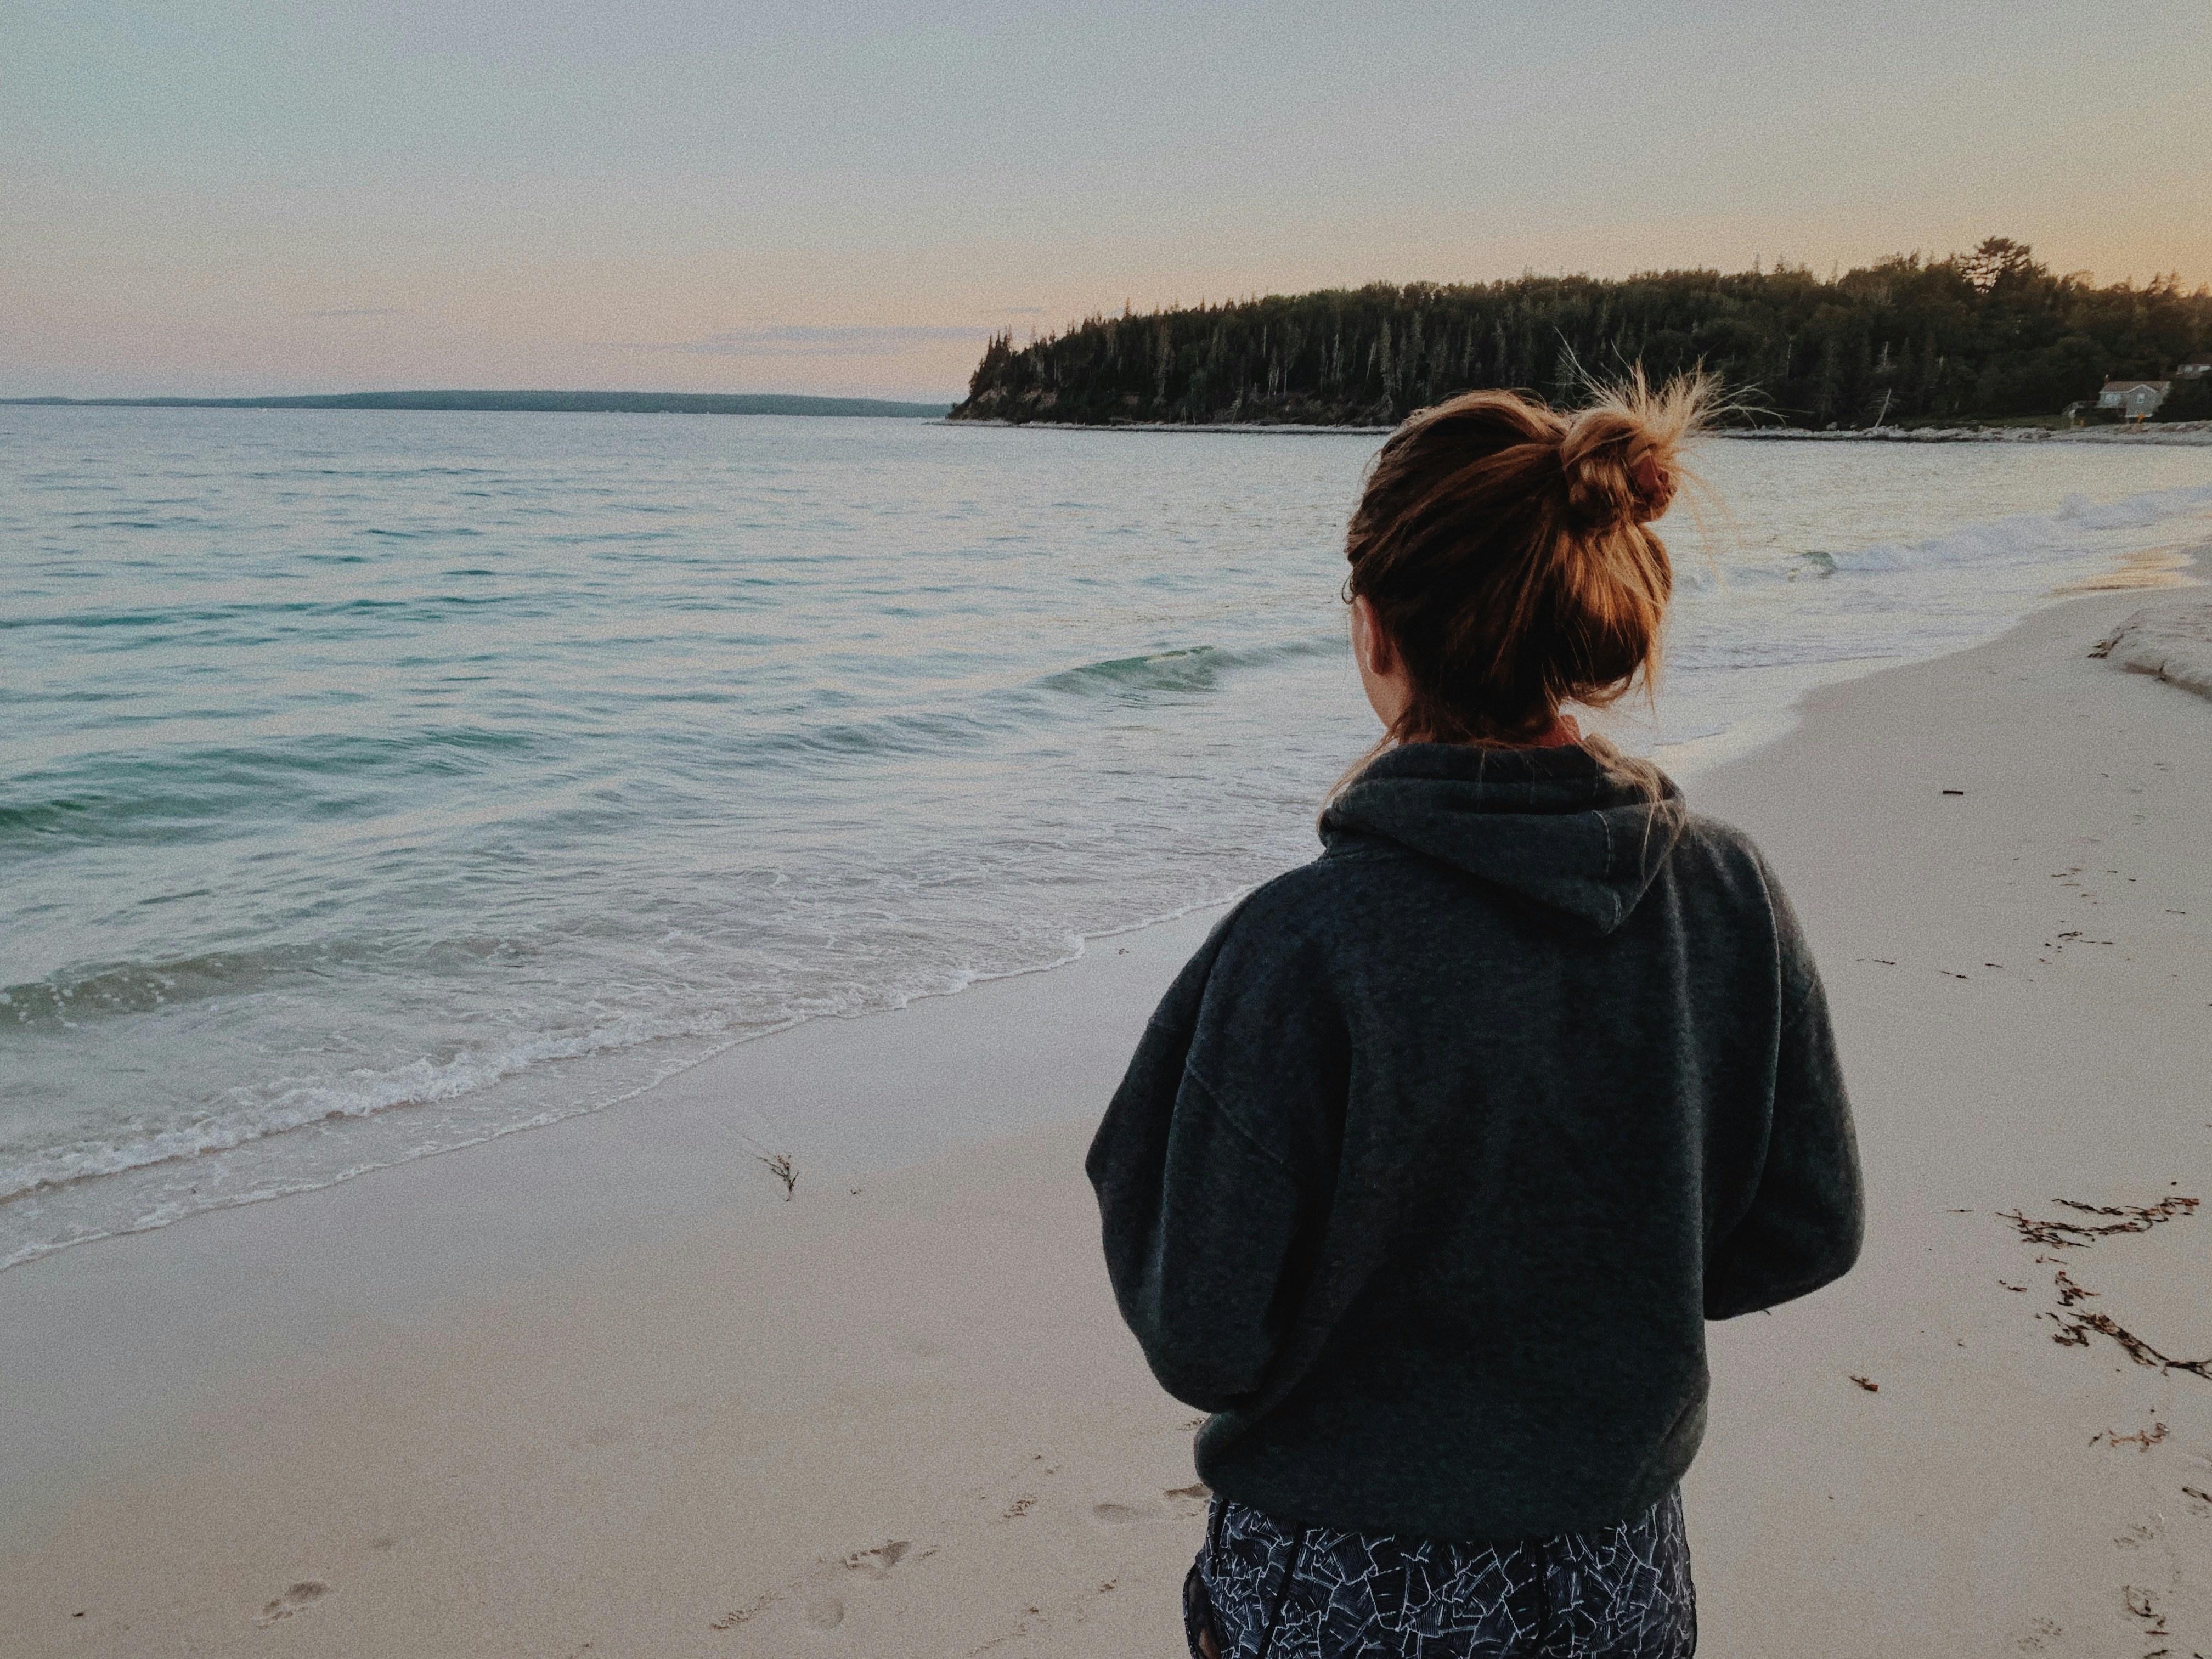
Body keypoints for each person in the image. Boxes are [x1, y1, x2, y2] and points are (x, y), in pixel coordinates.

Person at [1085, 377, 1864, 1659]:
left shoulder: (1306, 944)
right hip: (1619, 1569)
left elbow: (1202, 1334)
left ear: (1377, 627)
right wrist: (1605, 1284)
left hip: (1348, 1585)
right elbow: (1807, 1228)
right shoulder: (1723, 889)